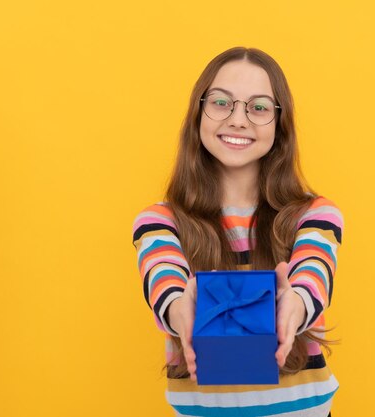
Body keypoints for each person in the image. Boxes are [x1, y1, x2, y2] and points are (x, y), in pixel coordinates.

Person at [132, 46, 343, 417]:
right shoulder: (159, 221)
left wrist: (294, 306)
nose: (238, 120)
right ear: (199, 112)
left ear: (280, 125)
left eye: (258, 107)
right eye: (221, 103)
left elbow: (315, 274)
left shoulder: (314, 213)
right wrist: (183, 309)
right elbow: (163, 283)